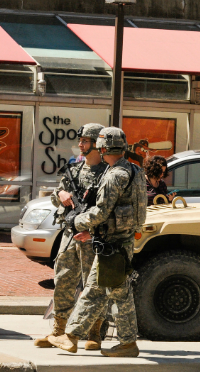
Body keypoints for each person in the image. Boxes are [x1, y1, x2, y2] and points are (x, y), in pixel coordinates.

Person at [48, 126, 147, 357]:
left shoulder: (113, 176)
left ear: (103, 148)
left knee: (93, 291)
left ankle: (70, 337)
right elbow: (135, 213)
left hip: (111, 244)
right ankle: (128, 343)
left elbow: (100, 213)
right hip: (122, 241)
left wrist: (75, 223)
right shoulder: (134, 170)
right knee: (121, 294)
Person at [34, 123, 107, 350]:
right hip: (69, 234)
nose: (80, 144)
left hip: (91, 236)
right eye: (81, 140)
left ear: (97, 144)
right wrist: (61, 193)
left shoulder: (107, 173)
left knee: (92, 286)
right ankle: (57, 332)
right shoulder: (73, 170)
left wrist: (93, 231)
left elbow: (108, 209)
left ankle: (94, 334)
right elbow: (57, 195)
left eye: (85, 141)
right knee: (63, 281)